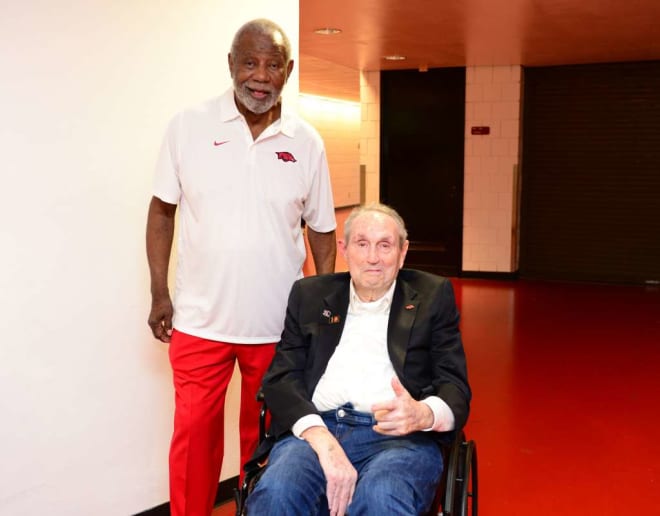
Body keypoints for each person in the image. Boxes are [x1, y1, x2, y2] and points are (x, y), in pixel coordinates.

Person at [145, 18, 337, 516]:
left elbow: (321, 229)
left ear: (288, 71)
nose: (260, 74)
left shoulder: (307, 142)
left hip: (277, 324)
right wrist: (159, 293)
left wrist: (323, 305)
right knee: (193, 442)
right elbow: (162, 209)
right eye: (249, 62)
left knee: (270, 444)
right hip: (199, 321)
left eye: (273, 64)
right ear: (231, 65)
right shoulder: (188, 126)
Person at [245, 203, 471, 516]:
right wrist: (320, 438)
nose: (373, 258)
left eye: (385, 245)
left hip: (398, 438)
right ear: (345, 249)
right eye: (362, 244)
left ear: (402, 253)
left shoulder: (433, 296)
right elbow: (280, 378)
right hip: (316, 431)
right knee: (278, 494)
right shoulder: (309, 296)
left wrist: (423, 414)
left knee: (382, 498)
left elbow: (454, 386)